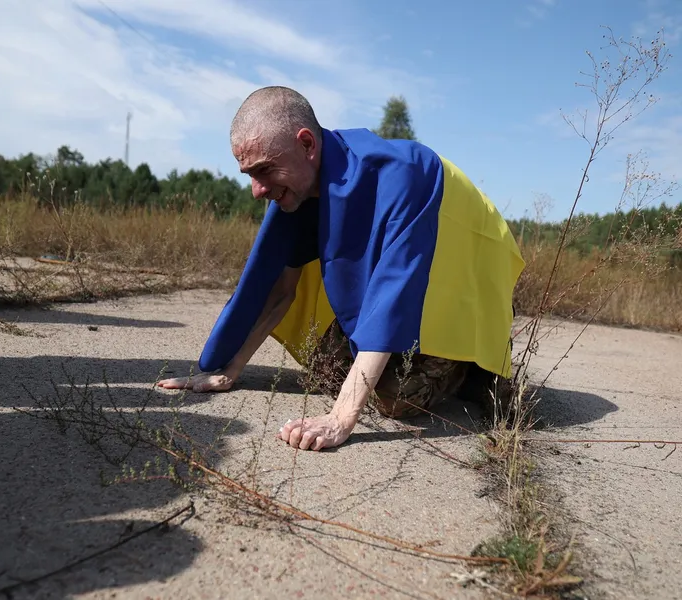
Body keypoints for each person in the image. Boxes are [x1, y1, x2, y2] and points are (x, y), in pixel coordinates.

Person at [158, 86, 525, 452]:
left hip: (455, 285)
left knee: (395, 399)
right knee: (325, 366)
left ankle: (469, 367)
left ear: (307, 144)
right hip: (407, 288)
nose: (256, 190)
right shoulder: (297, 185)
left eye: (264, 170)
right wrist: (231, 367)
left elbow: (394, 289)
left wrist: (341, 418)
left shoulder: (404, 174)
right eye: (249, 174)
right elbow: (278, 290)